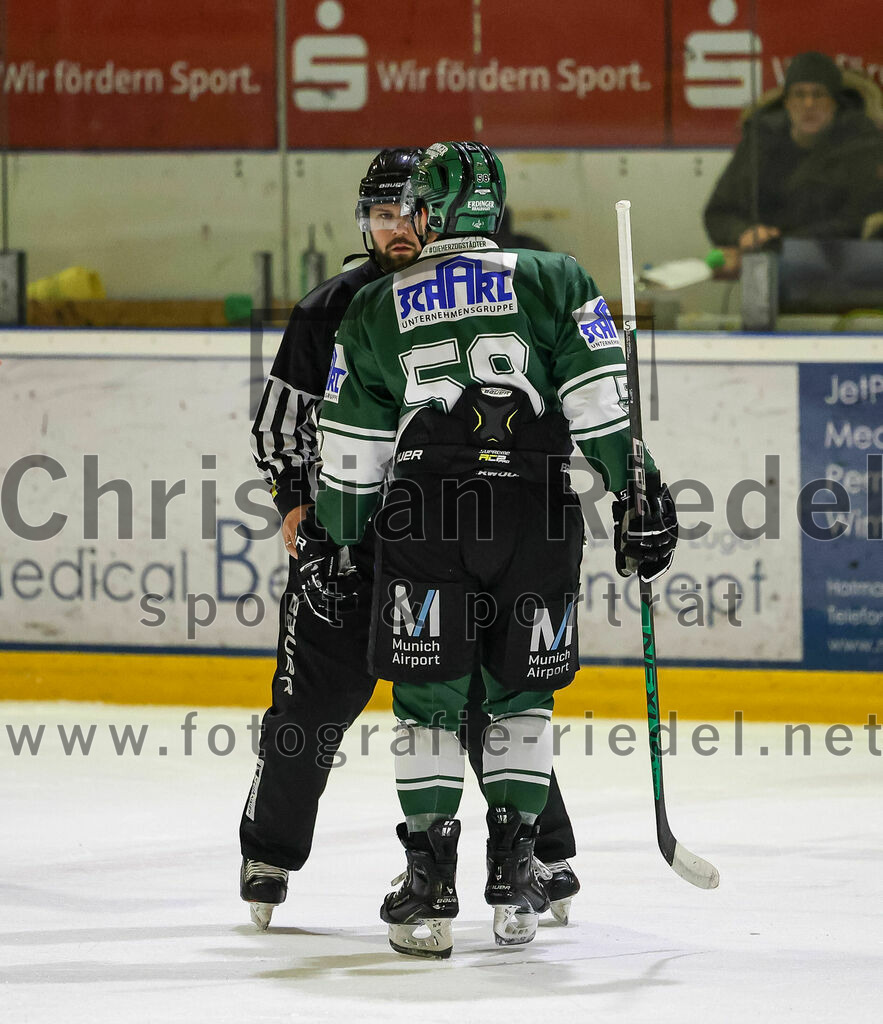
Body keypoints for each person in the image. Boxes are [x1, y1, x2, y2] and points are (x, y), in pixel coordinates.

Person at [300, 141, 678, 958]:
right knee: (517, 698)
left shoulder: (374, 305)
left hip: (425, 516)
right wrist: (635, 490)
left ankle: (430, 885)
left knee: (429, 704)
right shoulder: (555, 278)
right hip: (536, 513)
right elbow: (601, 407)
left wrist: (338, 538)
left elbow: (350, 448)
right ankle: (514, 877)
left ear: (430, 213)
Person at [239, 147, 581, 931]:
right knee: (306, 713)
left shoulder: (492, 293)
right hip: (355, 549)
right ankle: (268, 854)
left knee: (490, 699)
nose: (395, 230)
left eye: (406, 212)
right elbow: (278, 429)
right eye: (380, 215)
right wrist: (304, 519)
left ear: (435, 213)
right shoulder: (337, 305)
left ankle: (538, 855)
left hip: (443, 546)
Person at [704, 51, 883, 253]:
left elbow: (860, 222)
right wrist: (742, 232)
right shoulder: (760, 143)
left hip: (841, 267)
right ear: (787, 103)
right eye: (799, 94)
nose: (808, 104)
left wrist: (780, 242)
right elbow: (719, 213)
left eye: (818, 95)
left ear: (835, 104)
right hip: (768, 263)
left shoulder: (862, 145)